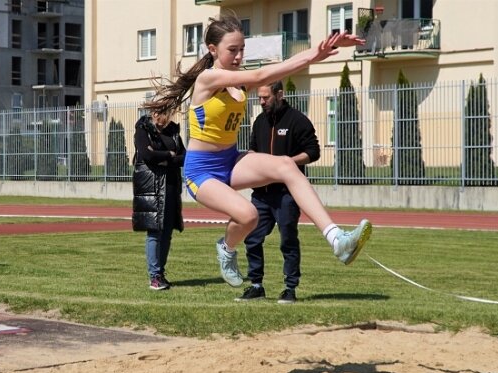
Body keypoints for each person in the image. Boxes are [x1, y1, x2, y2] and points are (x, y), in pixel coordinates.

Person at [147, 12, 372, 288]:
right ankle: (226, 248)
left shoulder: (238, 82)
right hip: (201, 171)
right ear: (213, 49)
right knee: (249, 215)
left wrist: (320, 50)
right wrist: (314, 55)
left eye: (242, 49)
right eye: (233, 50)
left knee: (287, 166)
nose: (239, 56)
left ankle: (337, 239)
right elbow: (265, 73)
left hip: (230, 159)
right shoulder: (208, 78)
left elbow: (274, 70)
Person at [236, 81, 319, 304]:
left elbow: (313, 151)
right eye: (260, 98)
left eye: (266, 98)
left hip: (286, 194)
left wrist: (285, 165)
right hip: (261, 194)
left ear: (279, 95)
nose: (261, 102)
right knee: (252, 238)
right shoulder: (259, 121)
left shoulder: (297, 120)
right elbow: (253, 149)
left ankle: (290, 288)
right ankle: (256, 285)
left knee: (288, 239)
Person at [132, 107, 186, 290]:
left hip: (171, 185)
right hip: (151, 186)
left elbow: (184, 157)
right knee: (154, 230)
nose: (162, 119)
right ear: (154, 113)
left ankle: (160, 272)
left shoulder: (173, 132)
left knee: (167, 231)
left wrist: (165, 159)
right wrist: (169, 155)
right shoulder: (143, 129)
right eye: (159, 115)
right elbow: (146, 155)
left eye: (166, 115)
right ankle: (154, 275)